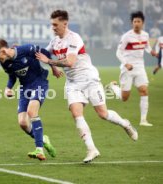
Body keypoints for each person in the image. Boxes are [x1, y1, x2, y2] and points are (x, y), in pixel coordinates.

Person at [35, 10, 138, 163]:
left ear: (65, 23)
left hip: (89, 79)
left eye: (55, 25)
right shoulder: (55, 41)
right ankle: (91, 149)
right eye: (52, 25)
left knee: (102, 114)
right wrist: (22, 51)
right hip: (72, 83)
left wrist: (50, 62)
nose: (53, 28)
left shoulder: (74, 38)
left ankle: (125, 123)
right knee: (76, 114)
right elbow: (43, 53)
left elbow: (70, 62)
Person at [0, 39, 59, 161]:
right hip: (24, 88)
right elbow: (12, 76)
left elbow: (46, 53)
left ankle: (39, 149)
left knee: (32, 112)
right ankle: (43, 139)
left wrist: (53, 67)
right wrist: (8, 88)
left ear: (4, 51)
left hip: (39, 82)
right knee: (23, 123)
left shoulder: (26, 49)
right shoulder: (4, 62)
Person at [109, 11, 158, 126]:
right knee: (124, 98)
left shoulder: (145, 35)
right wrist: (126, 63)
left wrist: (150, 51)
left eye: (138, 21)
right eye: (134, 21)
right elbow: (118, 52)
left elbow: (146, 46)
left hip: (140, 67)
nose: (136, 23)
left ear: (142, 23)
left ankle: (143, 120)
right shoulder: (127, 36)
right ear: (132, 23)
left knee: (144, 90)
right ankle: (113, 87)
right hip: (128, 69)